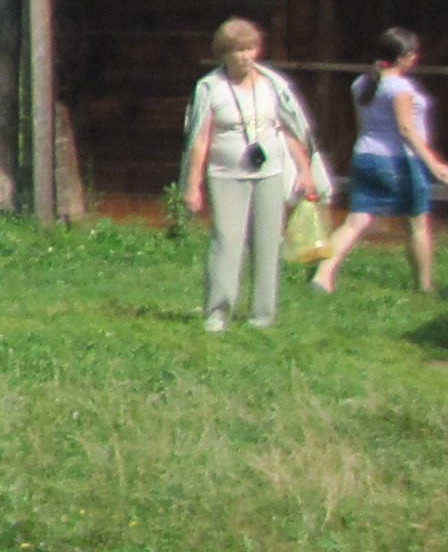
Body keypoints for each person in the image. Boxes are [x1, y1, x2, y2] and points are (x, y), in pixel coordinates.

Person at [179, 17, 319, 333]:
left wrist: (305, 171)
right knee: (227, 241)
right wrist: (192, 185)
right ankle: (217, 312)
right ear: (224, 53)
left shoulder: (273, 85)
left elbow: (291, 129)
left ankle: (263, 315)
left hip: (270, 173)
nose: (246, 55)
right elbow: (200, 140)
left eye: (251, 47)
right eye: (239, 49)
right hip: (225, 174)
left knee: (268, 242)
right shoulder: (210, 88)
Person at [312, 28, 440, 298]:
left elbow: (363, 125)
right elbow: (406, 129)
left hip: (365, 156)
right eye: (413, 54)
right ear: (403, 57)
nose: (416, 58)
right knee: (417, 224)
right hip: (399, 161)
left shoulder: (362, 82)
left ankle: (324, 274)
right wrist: (434, 164)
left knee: (355, 222)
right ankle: (425, 287)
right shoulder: (400, 87)